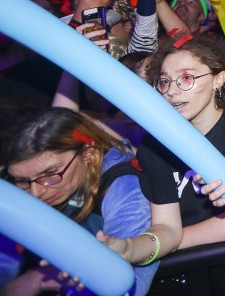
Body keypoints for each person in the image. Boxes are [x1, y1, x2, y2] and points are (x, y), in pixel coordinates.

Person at [97, 36, 225, 262]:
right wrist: (129, 249)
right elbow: (166, 227)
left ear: (218, 79)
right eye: (164, 82)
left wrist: (173, 242)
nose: (172, 91)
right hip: (186, 267)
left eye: (186, 78)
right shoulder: (155, 146)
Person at [1, 109, 157, 295]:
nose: (36, 192)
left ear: (88, 154)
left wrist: (45, 275)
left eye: (50, 174)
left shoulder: (124, 187)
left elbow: (131, 288)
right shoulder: (29, 184)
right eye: (22, 180)